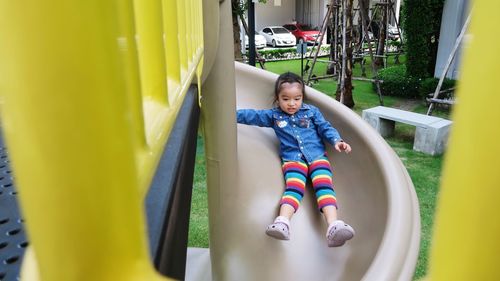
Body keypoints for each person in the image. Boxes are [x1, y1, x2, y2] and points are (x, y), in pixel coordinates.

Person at [236, 72, 355, 247]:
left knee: (324, 186)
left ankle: (333, 225)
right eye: (286, 99)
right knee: (294, 188)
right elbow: (251, 115)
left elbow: (325, 128)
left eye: (297, 99)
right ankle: (283, 222)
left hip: (317, 157)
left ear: (302, 98)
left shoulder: (311, 112)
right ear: (278, 99)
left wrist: (337, 141)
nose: (292, 104)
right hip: (293, 160)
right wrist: (228, 114)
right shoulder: (274, 116)